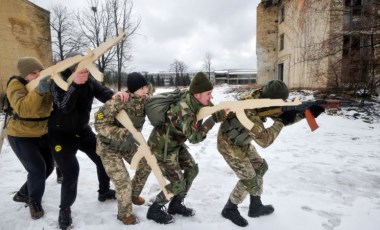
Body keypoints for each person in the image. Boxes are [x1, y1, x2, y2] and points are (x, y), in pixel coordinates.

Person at [217, 80, 325, 227]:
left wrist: (305, 114)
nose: (283, 103)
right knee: (249, 179)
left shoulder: (263, 100)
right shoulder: (248, 110)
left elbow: (280, 116)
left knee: (260, 167)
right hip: (229, 145)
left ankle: (256, 206)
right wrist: (281, 122)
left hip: (242, 141)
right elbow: (264, 141)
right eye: (281, 101)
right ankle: (230, 208)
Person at [47, 53, 129, 230]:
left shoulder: (90, 81)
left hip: (82, 131)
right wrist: (75, 84)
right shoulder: (58, 81)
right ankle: (65, 209)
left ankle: (104, 191)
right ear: (71, 67)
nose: (85, 70)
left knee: (102, 157)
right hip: (60, 134)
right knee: (71, 170)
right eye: (80, 67)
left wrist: (116, 95)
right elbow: (63, 107)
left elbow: (104, 93)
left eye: (87, 66)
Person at [146, 72, 226, 224]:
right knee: (177, 183)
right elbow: (195, 137)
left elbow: (209, 107)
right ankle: (155, 209)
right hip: (162, 147)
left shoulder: (196, 101)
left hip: (175, 144)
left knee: (192, 169)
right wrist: (213, 120)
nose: (211, 97)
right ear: (197, 95)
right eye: (208, 94)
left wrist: (220, 110)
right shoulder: (184, 109)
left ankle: (175, 205)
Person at [94, 72, 152, 225]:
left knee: (146, 164)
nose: (145, 91)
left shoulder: (145, 100)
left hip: (127, 145)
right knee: (123, 180)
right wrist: (123, 133)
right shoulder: (118, 101)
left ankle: (133, 195)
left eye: (146, 87)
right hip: (108, 147)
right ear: (132, 90)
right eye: (141, 88)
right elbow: (99, 124)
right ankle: (124, 214)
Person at [6, 57, 54, 219]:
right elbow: (23, 109)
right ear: (25, 75)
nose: (38, 74)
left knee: (48, 168)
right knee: (37, 169)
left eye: (40, 71)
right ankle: (34, 201)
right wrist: (39, 91)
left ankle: (22, 193)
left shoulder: (44, 83)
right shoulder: (15, 85)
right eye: (33, 73)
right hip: (20, 135)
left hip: (41, 133)